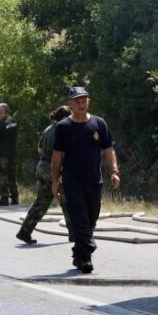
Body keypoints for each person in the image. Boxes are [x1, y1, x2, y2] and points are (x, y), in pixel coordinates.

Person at [52, 86, 119, 273]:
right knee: (80, 219)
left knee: (91, 219)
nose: (81, 104)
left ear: (88, 101)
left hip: (94, 180)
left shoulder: (99, 123)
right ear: (71, 104)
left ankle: (79, 255)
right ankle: (87, 254)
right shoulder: (63, 127)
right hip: (72, 181)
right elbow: (57, 156)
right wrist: (54, 180)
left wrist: (114, 171)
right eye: (77, 101)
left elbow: (108, 149)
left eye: (84, 100)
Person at [16, 105, 74, 245]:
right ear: (65, 117)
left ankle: (25, 231)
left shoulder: (48, 129)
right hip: (55, 168)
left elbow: (40, 149)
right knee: (67, 201)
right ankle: (75, 234)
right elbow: (62, 153)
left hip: (42, 166)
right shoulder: (64, 129)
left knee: (41, 202)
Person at [0, 102, 19, 206]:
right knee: (12, 176)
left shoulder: (0, 124)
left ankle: (4, 198)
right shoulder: (14, 121)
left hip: (1, 155)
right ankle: (15, 198)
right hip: (12, 154)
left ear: (2, 111)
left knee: (2, 177)